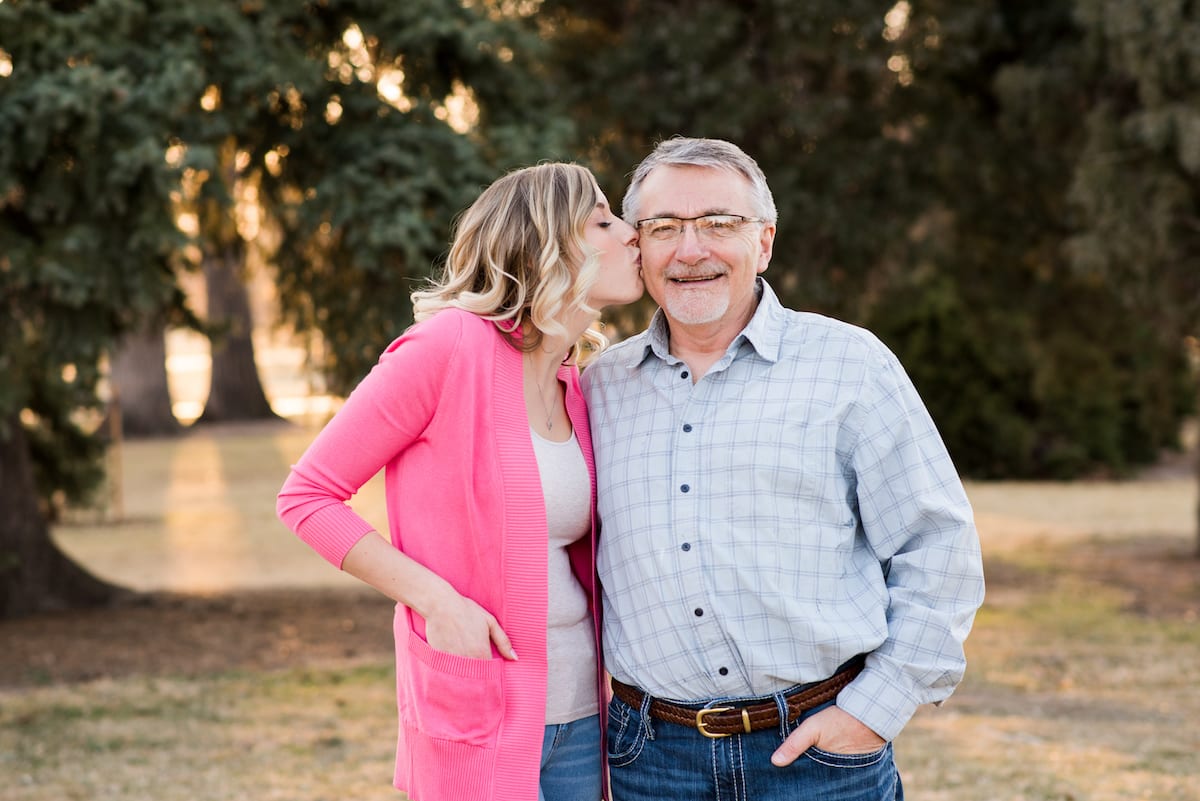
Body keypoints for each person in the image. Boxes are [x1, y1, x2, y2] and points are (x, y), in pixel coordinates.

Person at [581, 137, 985, 801]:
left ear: (763, 242)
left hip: (821, 760)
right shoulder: (598, 387)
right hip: (646, 762)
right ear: (638, 247)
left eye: (719, 223)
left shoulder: (850, 365)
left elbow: (937, 547)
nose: (690, 250)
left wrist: (872, 710)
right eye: (665, 228)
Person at [276, 162, 643, 801]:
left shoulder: (579, 383)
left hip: (584, 713)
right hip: (477, 705)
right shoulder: (446, 348)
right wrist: (437, 601)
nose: (632, 233)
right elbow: (306, 497)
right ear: (548, 242)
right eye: (604, 219)